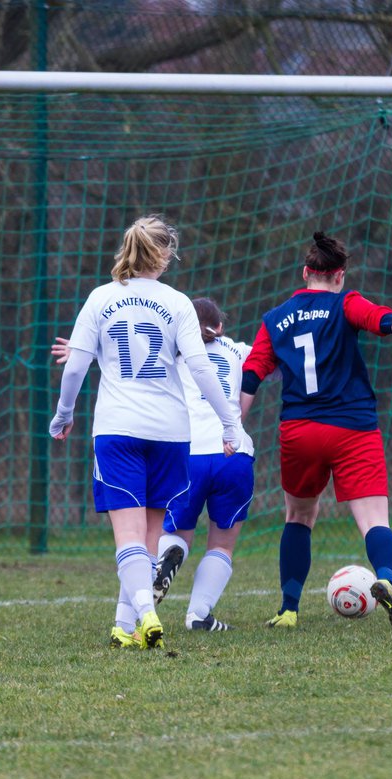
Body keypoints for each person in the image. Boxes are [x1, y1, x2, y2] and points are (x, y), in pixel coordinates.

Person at [49, 215, 245, 651]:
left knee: (127, 537)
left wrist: (63, 415)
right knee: (149, 536)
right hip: (171, 433)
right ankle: (126, 626)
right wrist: (230, 424)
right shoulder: (176, 302)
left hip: (119, 429)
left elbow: (77, 366)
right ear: (166, 255)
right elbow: (200, 366)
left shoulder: (101, 298)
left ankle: (147, 613)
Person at [239, 231, 392, 632]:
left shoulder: (275, 318)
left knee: (298, 515)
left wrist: (234, 426)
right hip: (353, 428)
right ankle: (389, 579)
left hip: (300, 431)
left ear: (305, 273)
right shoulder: (345, 303)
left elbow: (253, 373)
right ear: (339, 276)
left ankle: (288, 609)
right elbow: (382, 319)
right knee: (373, 519)